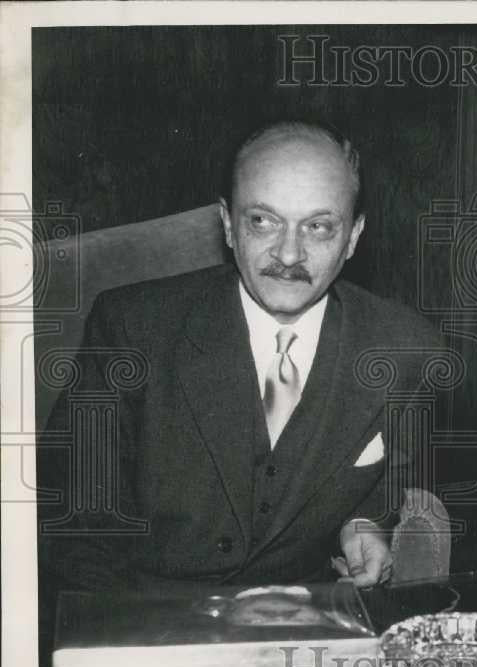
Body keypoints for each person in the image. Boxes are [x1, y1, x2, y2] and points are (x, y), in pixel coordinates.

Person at [38, 121, 442, 598]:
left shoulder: (407, 348)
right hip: (142, 618)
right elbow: (71, 523)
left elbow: (389, 480)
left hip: (298, 630)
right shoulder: (131, 328)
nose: (289, 254)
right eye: (263, 221)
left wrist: (362, 524)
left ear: (353, 236)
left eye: (318, 227)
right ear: (228, 225)